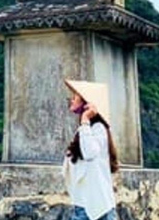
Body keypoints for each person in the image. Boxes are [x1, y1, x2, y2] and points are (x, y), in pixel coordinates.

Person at [62, 79, 119, 220]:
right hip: (83, 205)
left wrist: (85, 119)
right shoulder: (83, 130)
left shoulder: (97, 129)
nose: (71, 100)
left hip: (98, 208)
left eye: (75, 97)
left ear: (86, 102)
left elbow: (89, 153)